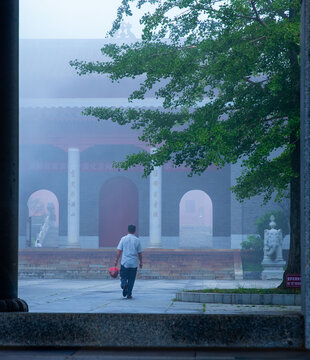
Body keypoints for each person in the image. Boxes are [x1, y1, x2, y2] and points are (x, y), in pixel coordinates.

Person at [114, 224, 142, 299]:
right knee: (131, 279)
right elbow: (139, 253)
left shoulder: (123, 239)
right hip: (134, 263)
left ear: (128, 230)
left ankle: (124, 284)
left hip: (125, 262)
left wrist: (116, 260)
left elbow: (119, 251)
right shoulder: (137, 240)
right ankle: (129, 294)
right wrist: (141, 262)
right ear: (135, 231)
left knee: (123, 276)